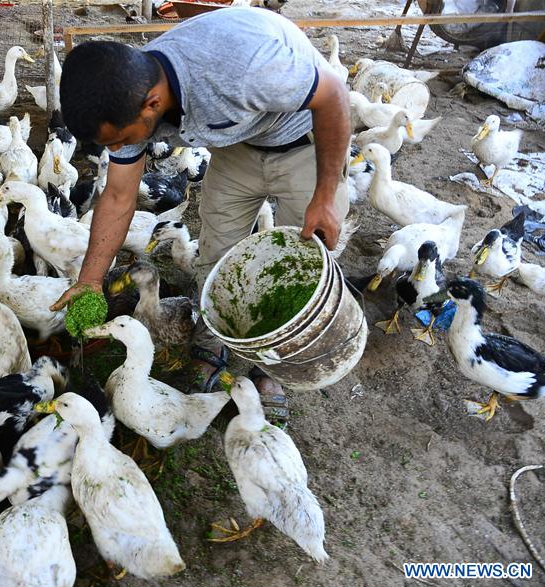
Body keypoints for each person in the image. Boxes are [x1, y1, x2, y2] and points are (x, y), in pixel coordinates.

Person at [50, 7, 351, 399]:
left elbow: (334, 96)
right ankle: (213, 346)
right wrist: (90, 280)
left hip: (306, 142)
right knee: (216, 255)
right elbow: (119, 196)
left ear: (152, 104)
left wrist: (326, 195)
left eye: (119, 139)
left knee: (299, 261)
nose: (119, 149)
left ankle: (272, 366)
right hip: (240, 144)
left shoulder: (243, 66)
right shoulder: (128, 98)